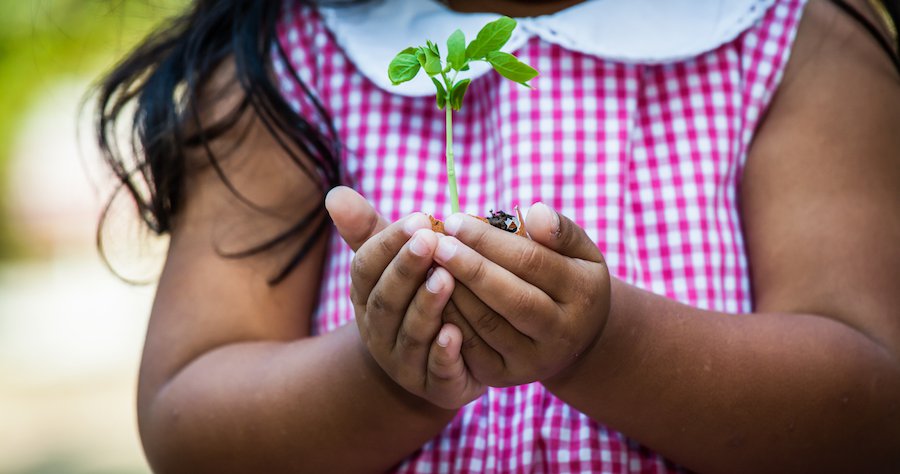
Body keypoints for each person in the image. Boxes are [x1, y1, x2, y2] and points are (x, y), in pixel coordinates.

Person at [95, 0, 900, 471]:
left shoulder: (797, 31)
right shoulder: (280, 60)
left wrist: (601, 344)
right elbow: (187, 422)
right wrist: (386, 373)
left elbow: (871, 408)